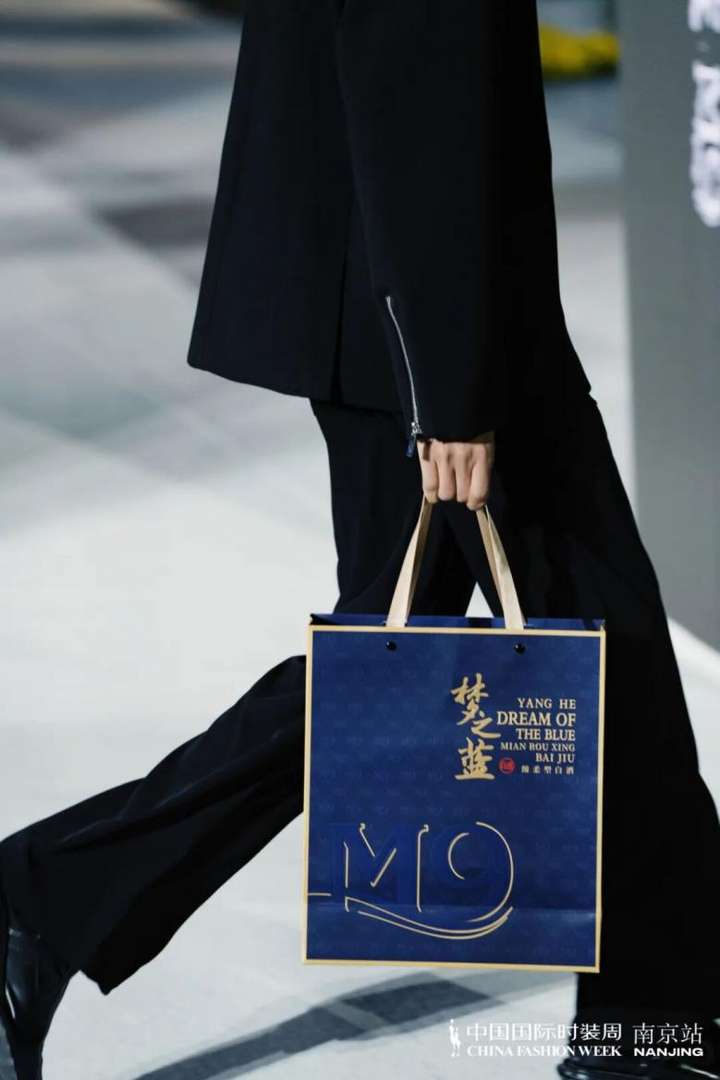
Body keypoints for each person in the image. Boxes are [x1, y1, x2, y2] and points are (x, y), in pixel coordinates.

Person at [1, 3, 719, 1079]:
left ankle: (40, 901)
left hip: (396, 289)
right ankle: (655, 1030)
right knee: (597, 653)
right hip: (425, 311)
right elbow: (413, 66)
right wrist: (451, 387)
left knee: (396, 655)